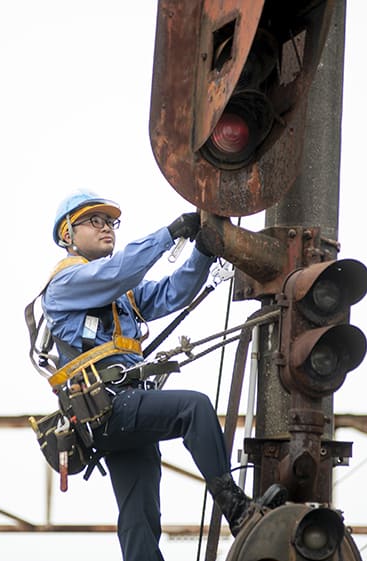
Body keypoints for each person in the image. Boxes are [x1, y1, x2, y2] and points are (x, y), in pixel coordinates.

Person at [40, 190, 286, 561]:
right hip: (108, 407)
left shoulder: (121, 296)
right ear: (67, 235)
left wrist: (203, 249)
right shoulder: (64, 286)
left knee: (140, 517)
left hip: (116, 414)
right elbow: (118, 272)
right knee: (194, 408)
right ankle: (237, 509)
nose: (107, 227)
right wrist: (170, 234)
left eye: (110, 222)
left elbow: (173, 292)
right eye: (95, 220)